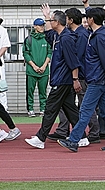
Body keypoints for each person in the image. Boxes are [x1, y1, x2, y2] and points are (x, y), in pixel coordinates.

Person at [58, 7, 105, 152]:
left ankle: (74, 140)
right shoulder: (98, 35)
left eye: (87, 17)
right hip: (98, 79)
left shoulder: (100, 37)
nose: (85, 20)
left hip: (97, 80)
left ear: (91, 19)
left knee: (85, 110)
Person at [26, 9, 82, 149]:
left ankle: (41, 137)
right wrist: (46, 15)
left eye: (50, 21)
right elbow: (47, 34)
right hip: (61, 79)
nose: (47, 23)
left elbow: (73, 62)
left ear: (56, 22)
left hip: (63, 80)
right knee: (70, 109)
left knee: (50, 109)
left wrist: (75, 79)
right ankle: (82, 136)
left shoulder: (66, 38)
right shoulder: (58, 36)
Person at [24, 18, 51, 116]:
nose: (42, 27)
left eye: (43, 25)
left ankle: (43, 109)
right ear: (35, 26)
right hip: (31, 70)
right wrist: (34, 66)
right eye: (40, 25)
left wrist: (44, 66)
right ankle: (30, 109)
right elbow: (26, 54)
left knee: (43, 92)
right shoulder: (29, 39)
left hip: (44, 70)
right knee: (30, 91)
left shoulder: (47, 38)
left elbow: (49, 53)